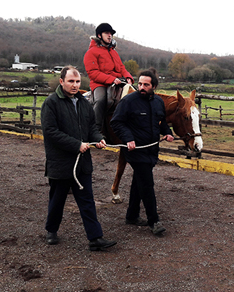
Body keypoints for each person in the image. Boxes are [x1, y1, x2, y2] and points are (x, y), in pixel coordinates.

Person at [41, 65, 116, 251]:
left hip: (82, 163)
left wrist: (98, 139)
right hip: (61, 162)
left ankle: (95, 238)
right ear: (61, 81)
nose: (75, 85)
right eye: (71, 81)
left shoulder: (84, 103)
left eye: (77, 82)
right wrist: (76, 144)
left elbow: (91, 127)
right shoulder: (51, 103)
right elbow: (50, 132)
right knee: (57, 199)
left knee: (87, 200)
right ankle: (51, 230)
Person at [110, 69, 174, 235]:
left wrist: (167, 132)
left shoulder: (158, 102)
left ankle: (132, 215)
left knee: (139, 181)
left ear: (153, 86)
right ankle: (154, 221)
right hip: (135, 150)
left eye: (146, 84)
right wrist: (128, 138)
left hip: (152, 149)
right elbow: (116, 122)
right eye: (139, 84)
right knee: (147, 183)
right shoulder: (129, 101)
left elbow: (162, 122)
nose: (142, 87)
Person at [83, 23, 134, 134]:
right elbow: (93, 73)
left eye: (111, 34)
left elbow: (121, 68)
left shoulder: (114, 52)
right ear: (99, 35)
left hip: (117, 81)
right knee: (101, 100)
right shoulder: (91, 52)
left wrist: (128, 77)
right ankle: (96, 131)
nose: (110, 35)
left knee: (135, 96)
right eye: (107, 33)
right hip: (99, 83)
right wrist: (111, 79)